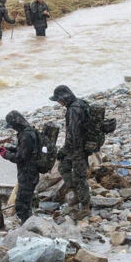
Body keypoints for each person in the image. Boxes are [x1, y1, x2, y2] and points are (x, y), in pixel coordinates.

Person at [50, 85, 91, 220]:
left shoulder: (73, 110)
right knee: (63, 167)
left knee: (80, 177)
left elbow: (72, 135)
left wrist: (64, 150)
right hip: (78, 147)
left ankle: (85, 207)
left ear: (64, 98)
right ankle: (76, 194)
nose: (58, 103)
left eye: (58, 100)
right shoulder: (81, 103)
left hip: (77, 149)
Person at [0, 111, 39, 224]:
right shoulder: (27, 132)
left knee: (22, 203)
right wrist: (10, 149)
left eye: (12, 126)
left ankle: (27, 224)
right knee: (24, 201)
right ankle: (27, 222)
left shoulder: (26, 135)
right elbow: (24, 151)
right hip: (28, 171)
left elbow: (20, 157)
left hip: (28, 173)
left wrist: (5, 154)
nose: (13, 128)